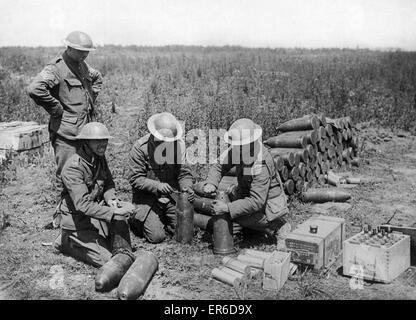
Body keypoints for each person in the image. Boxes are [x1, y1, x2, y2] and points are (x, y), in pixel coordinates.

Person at [27, 31, 103, 228]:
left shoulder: (83, 65)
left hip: (84, 132)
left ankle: (82, 213)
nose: (85, 55)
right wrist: (57, 109)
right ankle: (62, 220)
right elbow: (35, 88)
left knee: (85, 174)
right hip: (66, 134)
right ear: (69, 48)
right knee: (66, 176)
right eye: (81, 51)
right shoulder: (56, 68)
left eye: (87, 52)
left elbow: (97, 77)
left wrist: (91, 101)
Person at [55, 122, 135, 267]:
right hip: (77, 222)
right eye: (98, 141)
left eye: (105, 140)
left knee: (120, 247)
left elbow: (109, 183)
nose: (103, 144)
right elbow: (83, 205)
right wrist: (113, 211)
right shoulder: (73, 167)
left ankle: (86, 239)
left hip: (95, 216)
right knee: (108, 260)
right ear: (85, 142)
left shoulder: (99, 158)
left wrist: (111, 200)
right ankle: (66, 241)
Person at [202, 118, 290, 241]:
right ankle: (252, 229)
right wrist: (211, 183)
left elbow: (256, 201)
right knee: (230, 198)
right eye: (235, 145)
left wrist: (228, 208)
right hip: (248, 191)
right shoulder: (239, 149)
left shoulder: (261, 163)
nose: (235, 147)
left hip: (267, 203)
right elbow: (219, 165)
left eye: (239, 145)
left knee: (237, 214)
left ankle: (277, 225)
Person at [128, 112, 195, 243]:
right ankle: (135, 219)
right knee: (157, 237)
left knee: (186, 230)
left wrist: (187, 188)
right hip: (147, 199)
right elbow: (135, 178)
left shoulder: (177, 145)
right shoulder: (140, 148)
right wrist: (157, 185)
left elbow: (184, 173)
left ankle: (163, 218)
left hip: (171, 197)